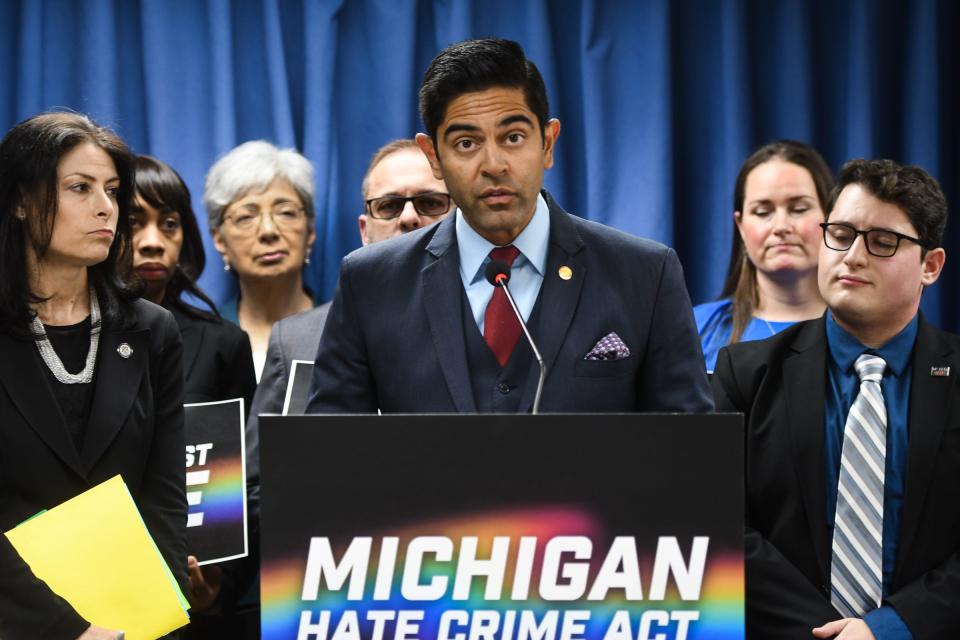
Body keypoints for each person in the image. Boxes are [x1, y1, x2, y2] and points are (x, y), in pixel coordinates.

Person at [306, 38, 712, 414]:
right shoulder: (371, 282)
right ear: (433, 157)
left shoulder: (644, 273)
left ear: (548, 143)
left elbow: (687, 454)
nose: (494, 164)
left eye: (514, 137)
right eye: (466, 143)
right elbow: (332, 455)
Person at [712, 159, 958, 638]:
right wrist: (827, 632)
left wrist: (887, 629)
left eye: (882, 242)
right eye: (841, 234)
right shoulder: (745, 373)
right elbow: (718, 520)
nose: (853, 256)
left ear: (930, 265)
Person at [0, 113, 186, 639]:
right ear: (19, 200)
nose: (106, 207)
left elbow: (166, 496)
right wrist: (69, 629)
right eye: (79, 188)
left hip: (137, 622)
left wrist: (161, 616)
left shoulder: (153, 330)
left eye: (110, 189)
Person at [129, 155, 257, 637]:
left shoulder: (224, 342)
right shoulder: (73, 338)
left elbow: (242, 483)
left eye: (169, 224)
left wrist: (221, 585)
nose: (152, 241)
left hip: (191, 595)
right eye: (133, 222)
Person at [695, 140, 833, 372]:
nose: (781, 226)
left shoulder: (864, 328)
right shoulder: (697, 328)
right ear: (740, 226)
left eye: (799, 209)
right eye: (763, 212)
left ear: (830, 218)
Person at [203, 140, 317, 381]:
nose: (268, 231)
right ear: (219, 240)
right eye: (246, 217)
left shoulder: (343, 330)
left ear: (310, 231)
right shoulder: (201, 342)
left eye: (285, 212)